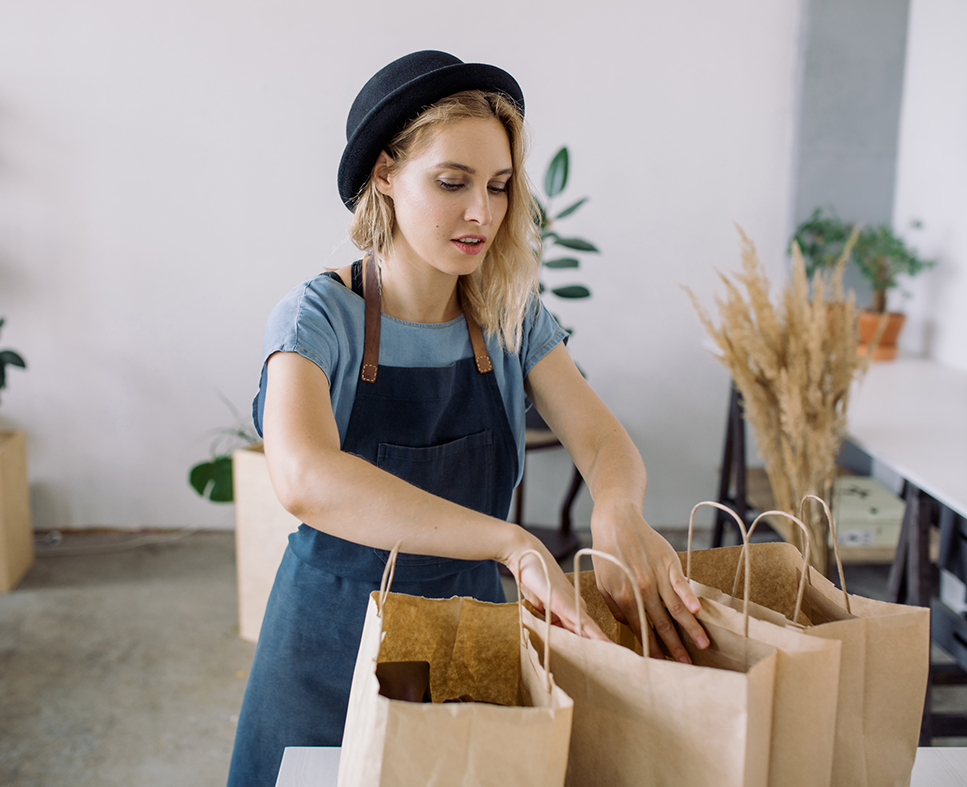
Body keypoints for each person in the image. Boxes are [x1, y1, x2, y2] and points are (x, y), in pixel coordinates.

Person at [225, 50, 709, 787]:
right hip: (331, 651)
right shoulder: (319, 317)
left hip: (473, 640)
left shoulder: (509, 315)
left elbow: (602, 438)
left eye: (499, 186)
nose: (480, 212)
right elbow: (302, 476)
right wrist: (510, 542)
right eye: (451, 182)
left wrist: (617, 504)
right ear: (384, 174)